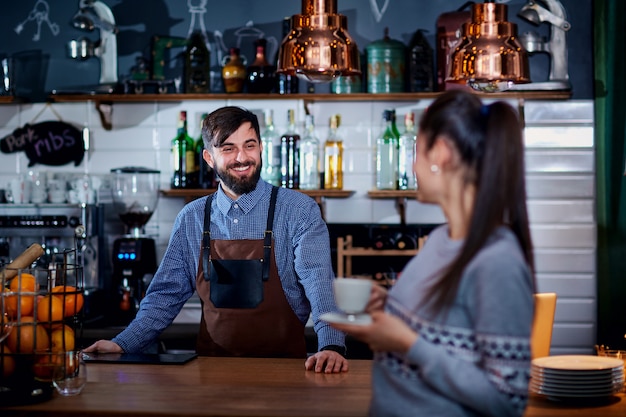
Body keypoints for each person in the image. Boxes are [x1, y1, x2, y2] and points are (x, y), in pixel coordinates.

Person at [85, 106, 348, 373]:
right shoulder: (192, 217)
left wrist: (332, 346)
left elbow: (320, 285)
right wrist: (123, 344)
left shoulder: (298, 210)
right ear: (209, 158)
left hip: (287, 373)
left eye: (249, 145)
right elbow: (166, 295)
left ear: (261, 148)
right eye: (228, 148)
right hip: (209, 373)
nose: (242, 157)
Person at [330, 90, 536, 416]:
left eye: (416, 151)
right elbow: (441, 328)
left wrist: (407, 344)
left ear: (439, 153)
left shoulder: (497, 261)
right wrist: (389, 305)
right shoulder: (442, 239)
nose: (413, 165)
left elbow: (507, 400)